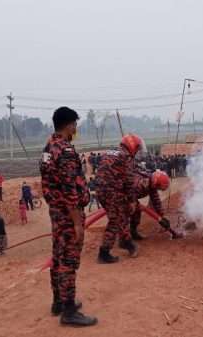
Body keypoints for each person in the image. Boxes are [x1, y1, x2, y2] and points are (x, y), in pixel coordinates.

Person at [40, 106, 96, 326]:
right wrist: (77, 224)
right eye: (75, 124)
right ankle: (69, 311)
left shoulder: (49, 147)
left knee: (58, 256)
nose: (76, 128)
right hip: (67, 214)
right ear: (68, 125)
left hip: (56, 211)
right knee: (69, 261)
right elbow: (69, 190)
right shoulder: (65, 151)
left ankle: (58, 302)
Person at [95, 134, 143, 264]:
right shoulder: (125, 157)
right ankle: (104, 253)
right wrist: (132, 200)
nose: (137, 152)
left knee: (121, 216)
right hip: (111, 191)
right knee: (115, 220)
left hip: (101, 190)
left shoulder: (110, 152)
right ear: (132, 147)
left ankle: (126, 242)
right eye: (137, 149)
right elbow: (129, 181)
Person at [128, 169, 172, 240]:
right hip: (119, 194)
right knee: (126, 211)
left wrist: (162, 217)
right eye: (159, 187)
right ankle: (123, 235)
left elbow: (156, 201)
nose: (158, 189)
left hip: (130, 195)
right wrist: (134, 203)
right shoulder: (141, 184)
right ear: (155, 183)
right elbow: (129, 192)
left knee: (136, 210)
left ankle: (133, 231)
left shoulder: (151, 183)